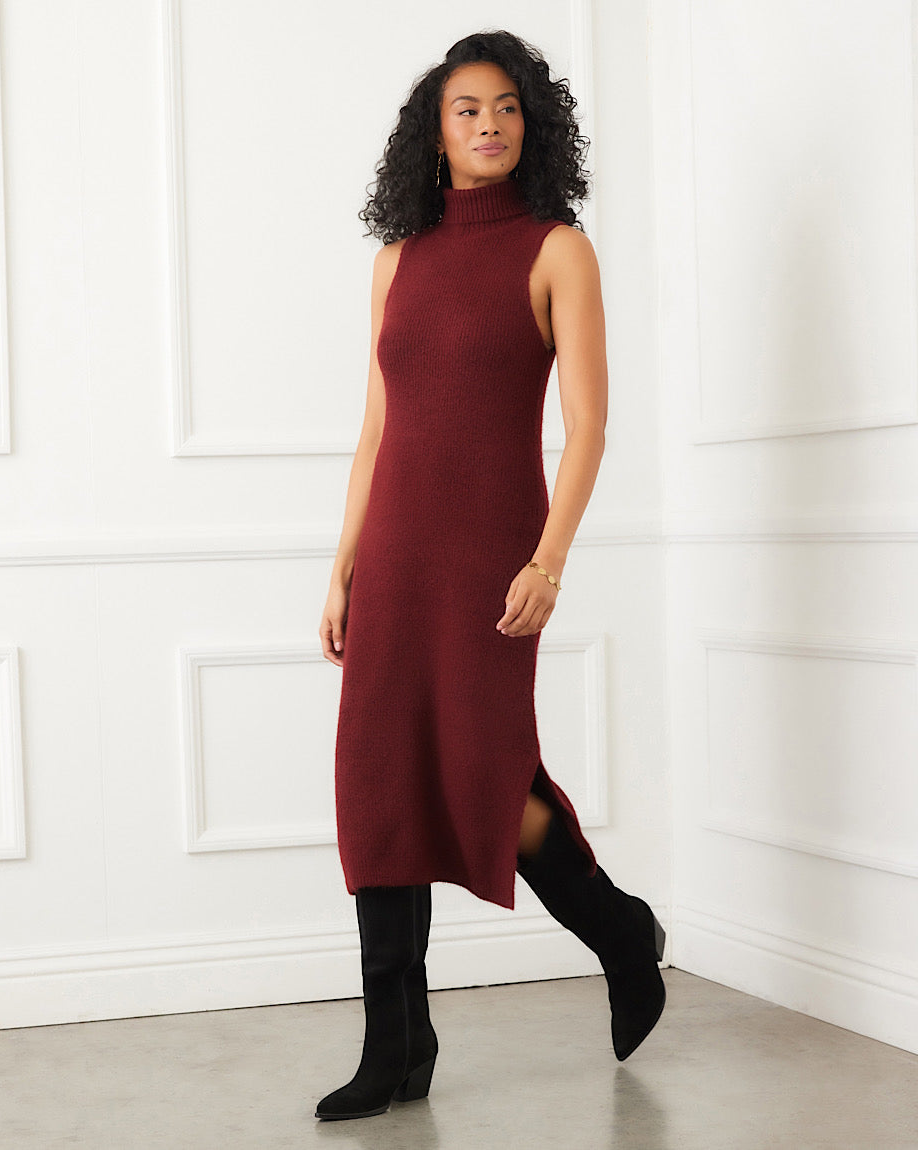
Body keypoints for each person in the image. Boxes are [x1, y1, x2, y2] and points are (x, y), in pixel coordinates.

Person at [315, 29, 665, 1122]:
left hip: (490, 552)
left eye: (508, 108)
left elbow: (590, 424)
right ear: (435, 131)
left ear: (532, 124)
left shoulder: (558, 249)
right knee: (378, 776)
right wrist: (343, 565)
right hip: (396, 552)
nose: (489, 125)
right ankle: (396, 1042)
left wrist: (549, 559)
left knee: (487, 774)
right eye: (467, 109)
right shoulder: (397, 259)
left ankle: (618, 929)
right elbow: (377, 429)